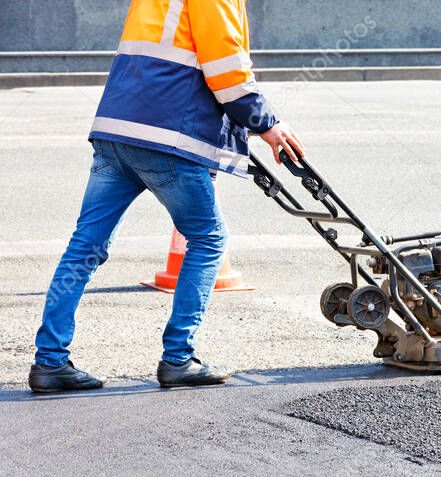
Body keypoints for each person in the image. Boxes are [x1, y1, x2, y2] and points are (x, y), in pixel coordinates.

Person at [29, 0, 304, 394]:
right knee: (209, 239)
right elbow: (227, 70)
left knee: (84, 245)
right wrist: (267, 124)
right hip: (166, 136)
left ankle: (49, 362)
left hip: (116, 129)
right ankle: (178, 358)